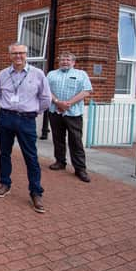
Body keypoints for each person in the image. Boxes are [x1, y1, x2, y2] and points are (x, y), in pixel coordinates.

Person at [0, 43, 51, 213]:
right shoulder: (3, 74)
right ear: (10, 55)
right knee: (4, 153)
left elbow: (45, 98)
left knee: (31, 156)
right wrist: (8, 107)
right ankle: (5, 183)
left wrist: (33, 112)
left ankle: (36, 192)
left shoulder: (38, 74)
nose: (18, 56)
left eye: (21, 53)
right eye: (14, 53)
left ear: (26, 55)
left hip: (27, 120)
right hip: (6, 118)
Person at [46, 52, 93, 182]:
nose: (65, 62)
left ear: (73, 62)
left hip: (73, 113)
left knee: (76, 141)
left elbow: (86, 91)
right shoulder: (51, 74)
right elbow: (45, 90)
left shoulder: (81, 74)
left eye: (68, 60)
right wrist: (57, 102)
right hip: (55, 111)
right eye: (62, 60)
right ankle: (60, 162)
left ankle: (80, 169)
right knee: (58, 138)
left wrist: (69, 103)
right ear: (59, 62)